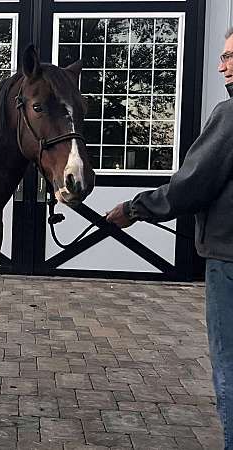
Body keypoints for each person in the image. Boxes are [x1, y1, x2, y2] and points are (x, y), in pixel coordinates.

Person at [106, 28, 233, 447]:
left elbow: (191, 185)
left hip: (229, 261)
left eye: (230, 56)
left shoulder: (230, 117)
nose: (221, 65)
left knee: (230, 370)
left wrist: (134, 208)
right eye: (221, 56)